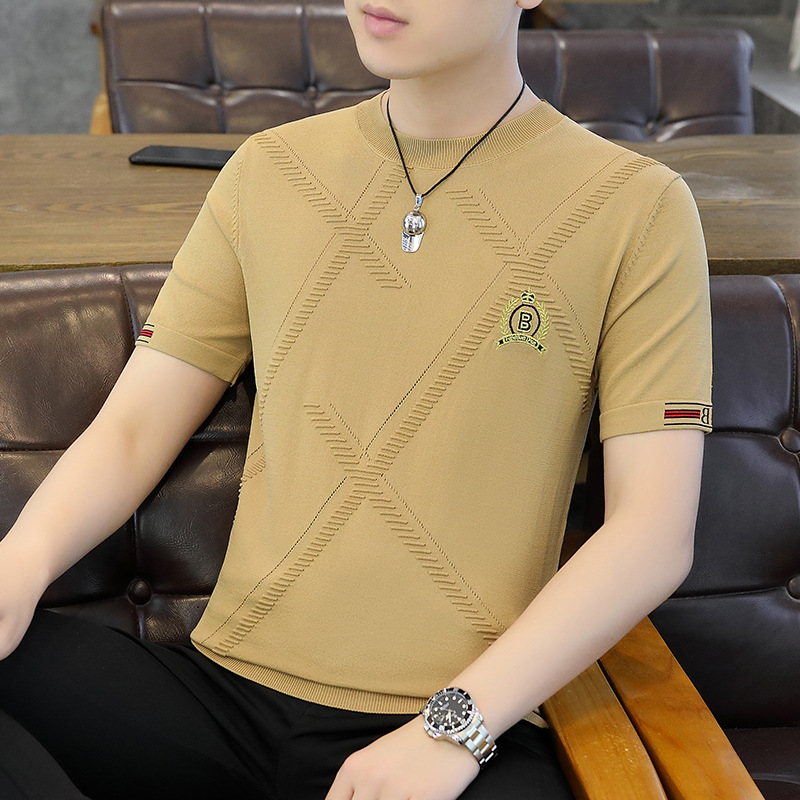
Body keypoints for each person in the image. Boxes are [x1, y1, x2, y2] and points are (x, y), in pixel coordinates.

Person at [0, 0, 714, 798]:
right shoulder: (269, 171)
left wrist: (452, 730)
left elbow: (652, 533)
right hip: (220, 700)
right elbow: (134, 429)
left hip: (450, 729)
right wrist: (19, 563)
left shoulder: (636, 208)